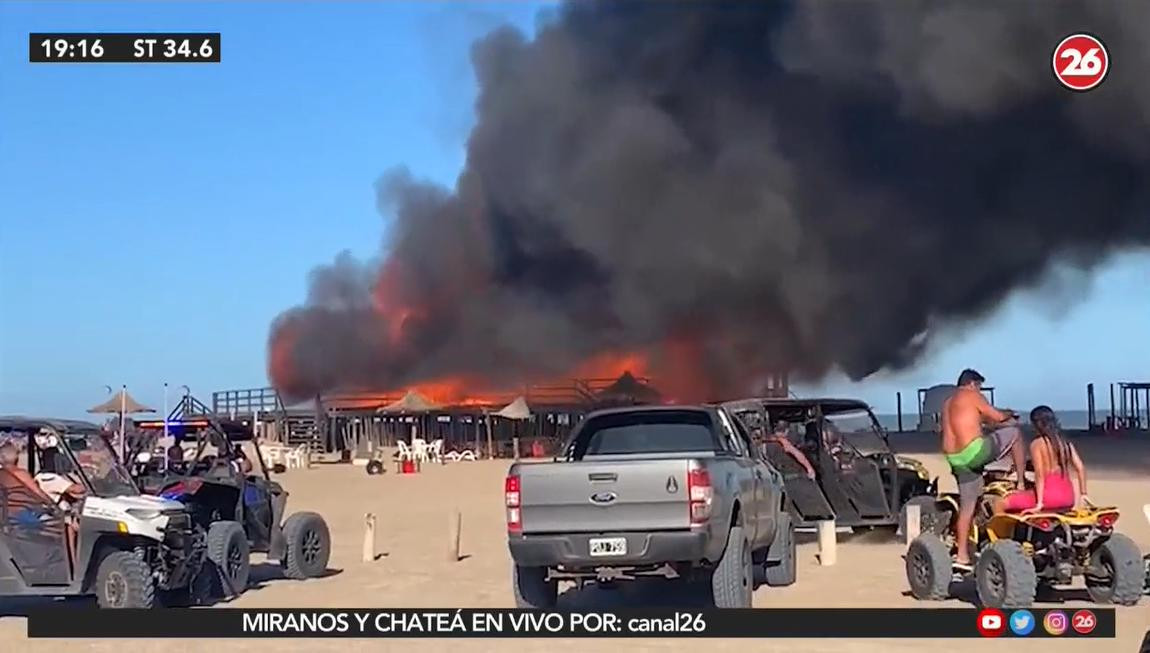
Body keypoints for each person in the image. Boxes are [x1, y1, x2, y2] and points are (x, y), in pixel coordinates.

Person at [941, 368, 1027, 570]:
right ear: (972, 383)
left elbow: (965, 425)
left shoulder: (947, 402)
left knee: (967, 507)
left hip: (954, 457)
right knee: (1014, 433)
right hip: (973, 452)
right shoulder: (972, 394)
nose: (980, 389)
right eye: (979, 385)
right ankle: (1021, 481)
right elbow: (997, 417)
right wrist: (1010, 413)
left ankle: (962, 555)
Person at [1000, 406, 1087, 513]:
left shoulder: (1037, 444)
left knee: (1001, 502)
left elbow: (1040, 474)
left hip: (1048, 497)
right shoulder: (1065, 443)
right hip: (1068, 498)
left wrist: (1039, 503)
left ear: (1037, 424)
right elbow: (1080, 467)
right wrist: (1083, 494)